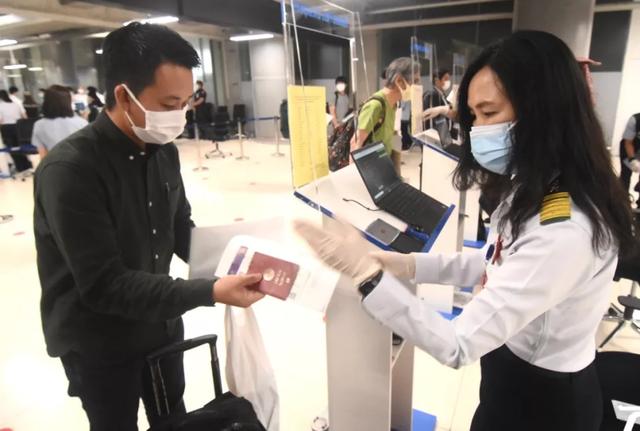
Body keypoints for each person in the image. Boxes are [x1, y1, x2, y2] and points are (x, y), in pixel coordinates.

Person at [295, 30, 636, 431]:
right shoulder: (534, 185)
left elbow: (457, 344)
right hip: (508, 373)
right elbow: (494, 262)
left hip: (546, 400)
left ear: (544, 110)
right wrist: (404, 264)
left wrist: (368, 277)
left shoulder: (567, 227)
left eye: (489, 114)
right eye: (473, 116)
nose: (477, 130)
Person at [33, 23, 265, 431]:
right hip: (99, 341)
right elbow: (105, 284)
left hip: (159, 324)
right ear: (123, 95)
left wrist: (245, 257)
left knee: (171, 418)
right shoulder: (71, 170)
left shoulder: (163, 153)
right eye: (169, 103)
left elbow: (180, 232)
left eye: (185, 103)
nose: (180, 115)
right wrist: (210, 291)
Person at [351, 57, 419, 171]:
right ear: (399, 81)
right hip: (370, 170)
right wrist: (356, 178)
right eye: (415, 81)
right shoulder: (375, 106)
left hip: (383, 166)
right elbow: (355, 143)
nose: (418, 87)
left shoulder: (393, 105)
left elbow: (391, 136)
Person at [32, 85, 88, 158]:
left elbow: (43, 156)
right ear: (68, 101)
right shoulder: (82, 123)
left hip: (54, 166)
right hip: (80, 165)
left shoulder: (39, 125)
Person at [0, 89, 30, 175]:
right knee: (20, 147)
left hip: (7, 128)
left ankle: (19, 167)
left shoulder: (1, 106)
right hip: (18, 127)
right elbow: (24, 116)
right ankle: (27, 165)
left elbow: (1, 120)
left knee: (12, 149)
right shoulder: (16, 104)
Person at [619, 112, 640, 206]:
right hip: (629, 148)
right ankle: (622, 200)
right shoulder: (635, 120)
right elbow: (628, 142)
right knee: (626, 174)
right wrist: (632, 160)